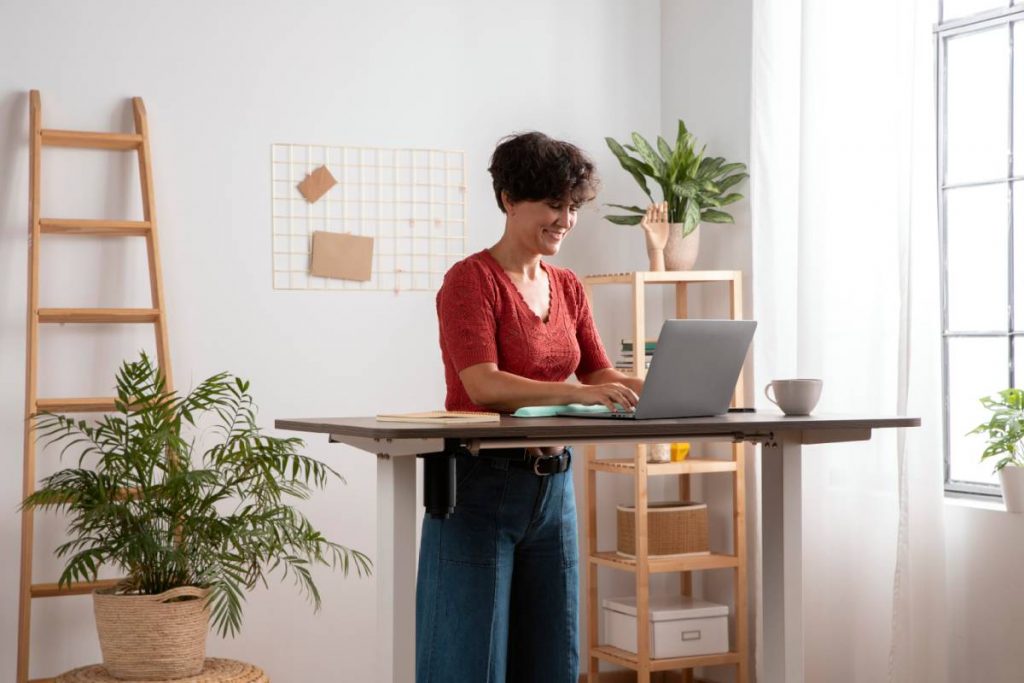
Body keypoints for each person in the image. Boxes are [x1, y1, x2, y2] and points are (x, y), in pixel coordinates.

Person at [416, 132, 645, 683]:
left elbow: (596, 371)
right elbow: (484, 386)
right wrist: (577, 393)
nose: (565, 219)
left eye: (572, 207)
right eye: (552, 204)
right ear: (508, 199)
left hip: (554, 490)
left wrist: (659, 385)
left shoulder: (566, 285)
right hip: (478, 486)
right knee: (468, 665)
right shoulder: (470, 281)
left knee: (552, 663)